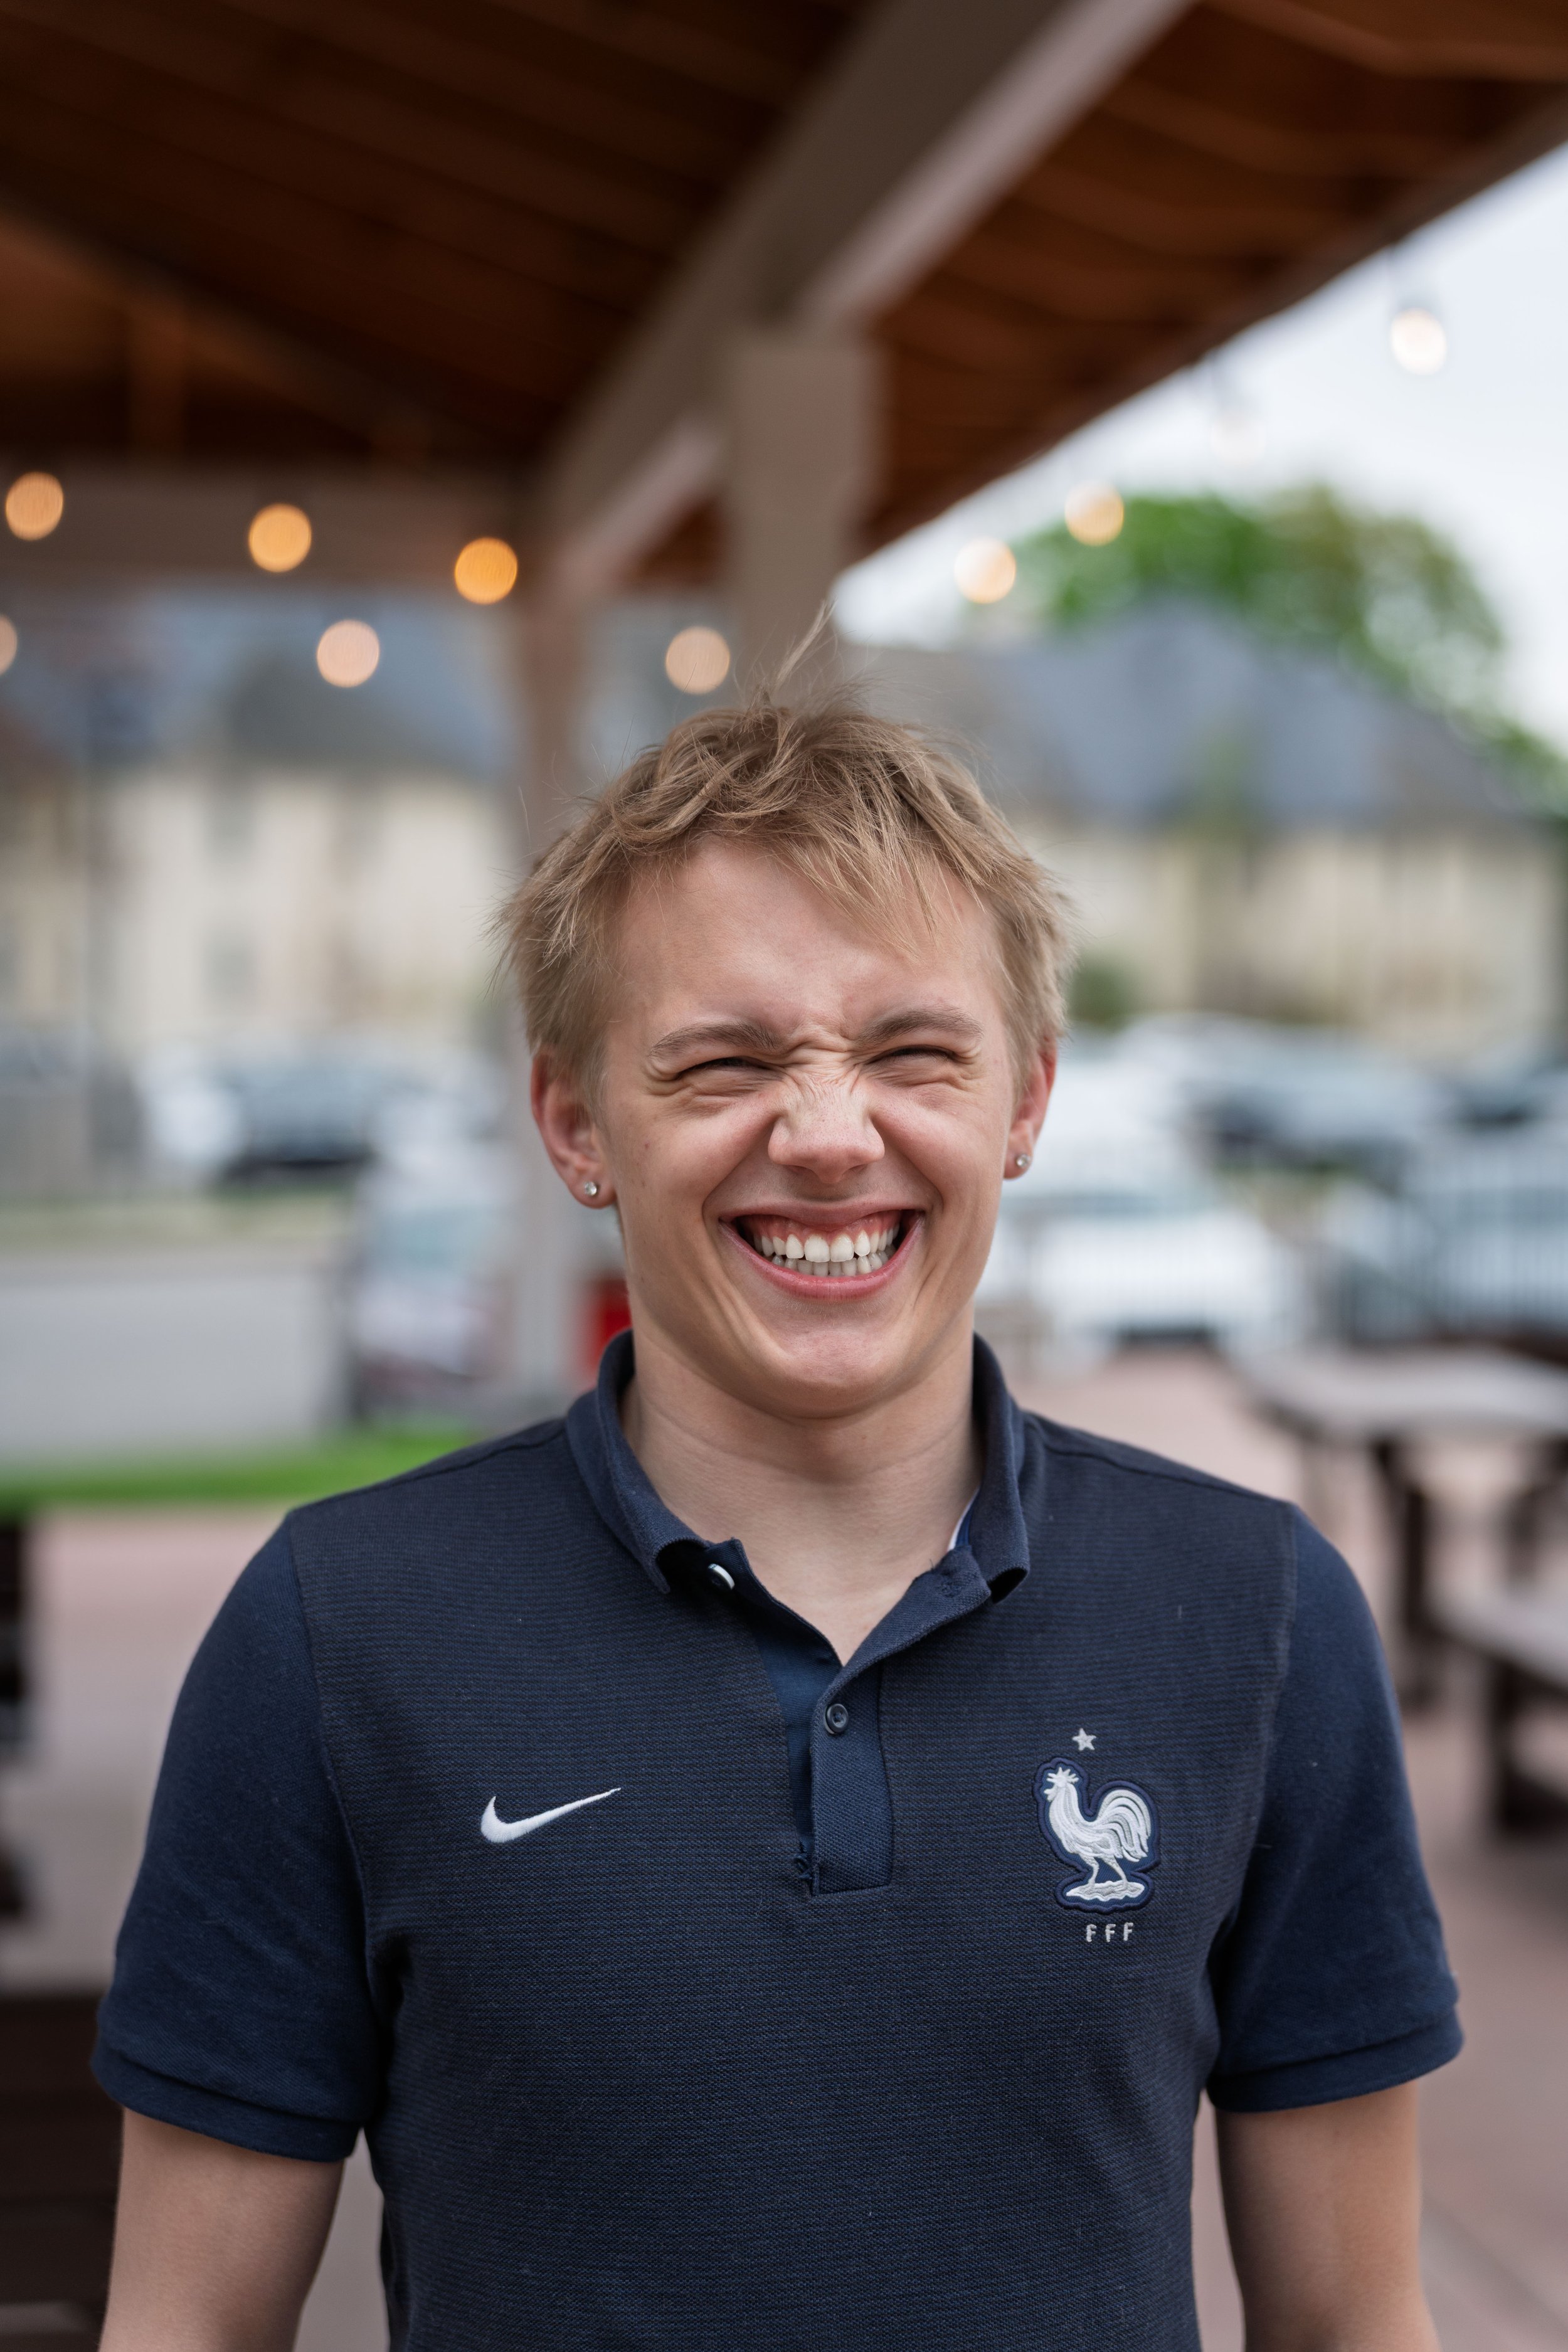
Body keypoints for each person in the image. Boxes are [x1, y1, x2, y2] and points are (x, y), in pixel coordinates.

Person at [96, 701, 1457, 2352]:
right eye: (725, 1061)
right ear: (578, 1120)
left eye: (910, 1052)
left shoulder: (1257, 1620)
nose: (826, 1136)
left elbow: (1350, 2328)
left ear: (1024, 1098)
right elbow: (182, 2333)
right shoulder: (335, 1630)